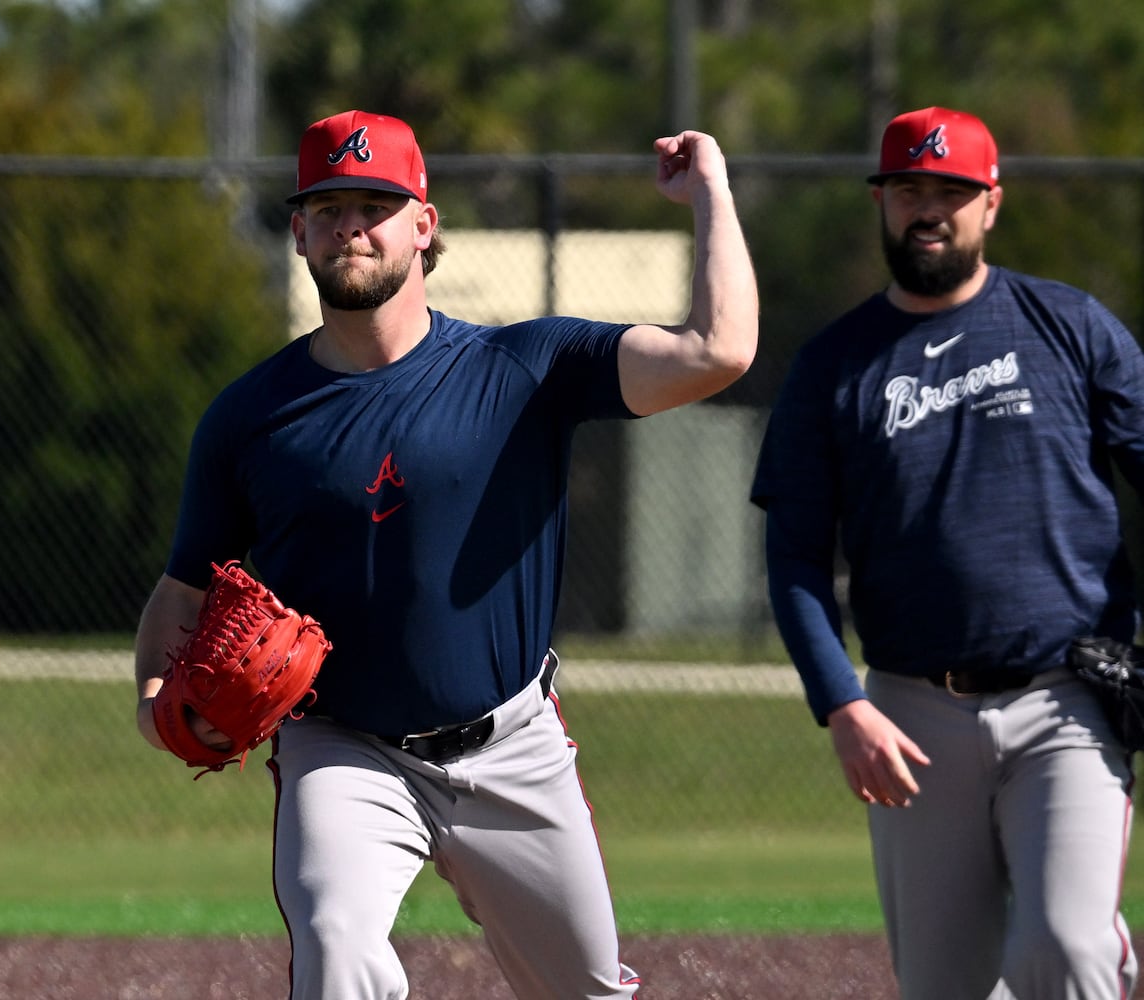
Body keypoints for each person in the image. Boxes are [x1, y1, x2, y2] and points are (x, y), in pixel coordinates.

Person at [134, 109, 758, 999]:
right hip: (342, 748)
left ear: (423, 226)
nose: (353, 223)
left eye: (377, 203)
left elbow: (719, 350)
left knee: (582, 989)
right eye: (330, 204)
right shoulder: (248, 420)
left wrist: (712, 195)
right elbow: (182, 593)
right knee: (335, 948)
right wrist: (158, 704)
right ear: (300, 230)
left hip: (512, 745)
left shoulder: (525, 367)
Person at [751, 105, 1144, 1000]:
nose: (929, 209)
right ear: (882, 202)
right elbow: (795, 559)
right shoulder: (834, 366)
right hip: (909, 718)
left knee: (1066, 949)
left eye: (951, 191)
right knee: (943, 986)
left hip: (1067, 702)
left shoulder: (1069, 328)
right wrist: (840, 703)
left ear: (991, 205)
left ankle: (1097, 953)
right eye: (908, 189)